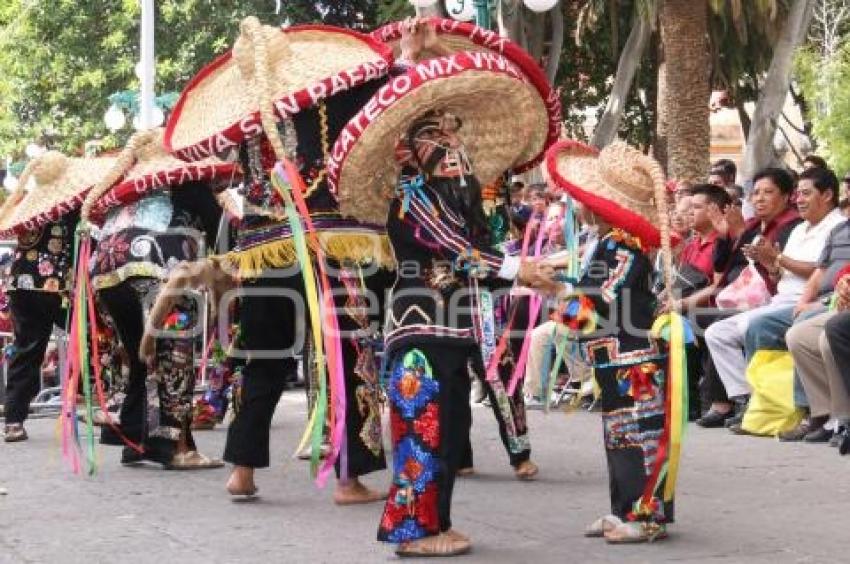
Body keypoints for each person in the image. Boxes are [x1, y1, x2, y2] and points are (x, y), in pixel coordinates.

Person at [327, 46, 559, 555]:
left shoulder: (456, 202)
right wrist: (520, 268)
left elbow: (478, 259)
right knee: (423, 433)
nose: (451, 147)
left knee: (449, 434)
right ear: (413, 153)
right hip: (422, 334)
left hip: (455, 333)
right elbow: (457, 253)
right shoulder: (413, 199)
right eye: (436, 138)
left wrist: (533, 274)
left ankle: (436, 524)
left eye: (452, 136)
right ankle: (415, 532)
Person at [162, 18, 396, 501]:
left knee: (262, 358)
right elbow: (392, 94)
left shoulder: (250, 117)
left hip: (264, 248)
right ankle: (349, 478)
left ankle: (242, 470)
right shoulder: (336, 92)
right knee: (347, 354)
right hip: (325, 244)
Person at [547, 140, 686, 544]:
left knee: (638, 435)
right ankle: (624, 508)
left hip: (633, 357)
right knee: (620, 434)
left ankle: (646, 517)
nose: (577, 205)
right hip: (617, 355)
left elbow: (593, 302)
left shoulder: (622, 247)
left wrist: (555, 291)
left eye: (582, 199)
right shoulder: (611, 243)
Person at [81, 128, 232, 468]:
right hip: (159, 271)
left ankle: (135, 439)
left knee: (139, 354)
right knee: (173, 355)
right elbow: (223, 241)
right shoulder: (190, 181)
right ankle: (177, 447)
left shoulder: (126, 189)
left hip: (105, 272)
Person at [705, 167, 843, 432]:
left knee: (762, 326)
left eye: (805, 193)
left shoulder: (836, 226)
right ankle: (753, 402)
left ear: (827, 195)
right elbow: (780, 275)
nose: (799, 199)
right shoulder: (800, 228)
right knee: (717, 331)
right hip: (784, 298)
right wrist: (771, 264)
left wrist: (778, 259)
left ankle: (806, 410)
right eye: (798, 194)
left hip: (816, 299)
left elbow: (820, 271)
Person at [0, 152, 115, 442]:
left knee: (27, 348)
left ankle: (14, 420)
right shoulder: (70, 204)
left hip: (21, 285)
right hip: (56, 288)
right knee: (90, 336)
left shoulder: (29, 204)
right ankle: (93, 402)